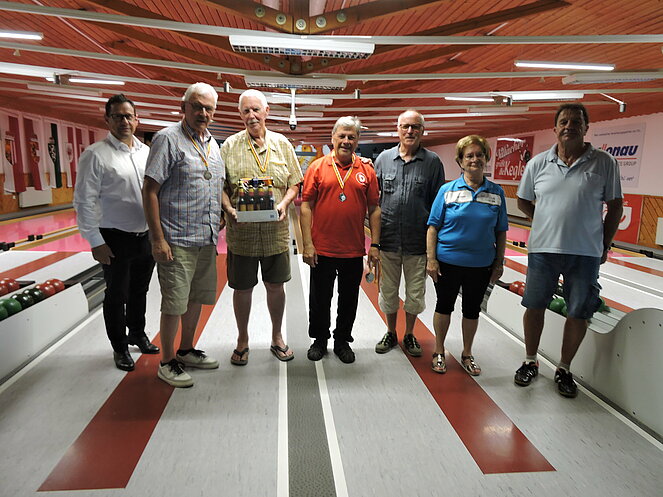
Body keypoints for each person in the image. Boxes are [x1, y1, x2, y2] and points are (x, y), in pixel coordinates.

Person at [514, 103, 623, 398]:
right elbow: (523, 200)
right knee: (534, 306)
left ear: (586, 128)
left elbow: (615, 206)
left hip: (585, 253)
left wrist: (604, 244)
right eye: (564, 121)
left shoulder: (604, 162)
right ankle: (530, 360)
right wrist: (542, 220)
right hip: (543, 250)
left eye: (576, 121)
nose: (569, 126)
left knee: (578, 311)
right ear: (555, 128)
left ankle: (564, 368)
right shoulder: (538, 163)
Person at [143, 82, 225, 388]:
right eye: (197, 106)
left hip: (205, 238)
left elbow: (214, 186)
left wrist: (222, 215)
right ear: (184, 107)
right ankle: (167, 362)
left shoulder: (213, 144)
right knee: (174, 303)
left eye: (208, 108)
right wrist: (157, 239)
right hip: (176, 239)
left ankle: (187, 350)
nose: (203, 113)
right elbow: (150, 191)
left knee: (196, 299)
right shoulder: (167, 139)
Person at [74, 94, 159, 371]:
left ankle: (137, 333)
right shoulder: (95, 155)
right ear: (107, 120)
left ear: (137, 119)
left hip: (145, 235)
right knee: (116, 295)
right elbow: (83, 201)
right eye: (118, 116)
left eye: (128, 116)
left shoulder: (146, 153)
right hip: (114, 237)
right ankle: (119, 347)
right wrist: (95, 241)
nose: (124, 121)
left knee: (139, 290)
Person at [220, 89, 302, 365]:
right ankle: (242, 340)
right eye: (246, 110)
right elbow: (220, 187)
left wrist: (285, 203)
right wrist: (229, 209)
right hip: (241, 234)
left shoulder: (282, 144)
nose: (251, 115)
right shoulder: (229, 146)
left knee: (276, 287)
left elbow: (294, 183)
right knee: (242, 289)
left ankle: (277, 337)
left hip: (275, 233)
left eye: (256, 109)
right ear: (240, 114)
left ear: (267, 111)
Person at [300, 116, 381, 364]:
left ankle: (342, 340)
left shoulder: (366, 170)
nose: (346, 141)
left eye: (351, 137)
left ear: (357, 141)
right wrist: (307, 244)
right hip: (323, 248)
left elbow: (374, 209)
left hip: (353, 250)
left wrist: (375, 245)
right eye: (342, 136)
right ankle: (319, 340)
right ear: (333, 138)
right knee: (319, 299)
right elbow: (306, 206)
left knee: (349, 299)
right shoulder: (317, 167)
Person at [426, 135, 507, 375]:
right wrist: (431, 259)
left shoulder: (496, 192)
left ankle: (467, 353)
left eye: (479, 155)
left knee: (472, 310)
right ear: (460, 161)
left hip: (481, 264)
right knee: (444, 306)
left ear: (486, 158)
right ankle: (439, 351)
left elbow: (501, 231)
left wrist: (498, 262)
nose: (474, 159)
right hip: (448, 262)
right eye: (469, 155)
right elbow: (433, 227)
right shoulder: (447, 190)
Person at [374, 109, 445, 356]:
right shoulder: (383, 159)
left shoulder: (433, 162)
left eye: (415, 127)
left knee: (415, 295)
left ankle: (409, 334)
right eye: (405, 126)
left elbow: (437, 205)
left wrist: (434, 249)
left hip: (418, 243)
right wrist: (373, 243)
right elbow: (374, 202)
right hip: (388, 241)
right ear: (398, 129)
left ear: (423, 131)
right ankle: (391, 332)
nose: (410, 131)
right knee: (388, 292)